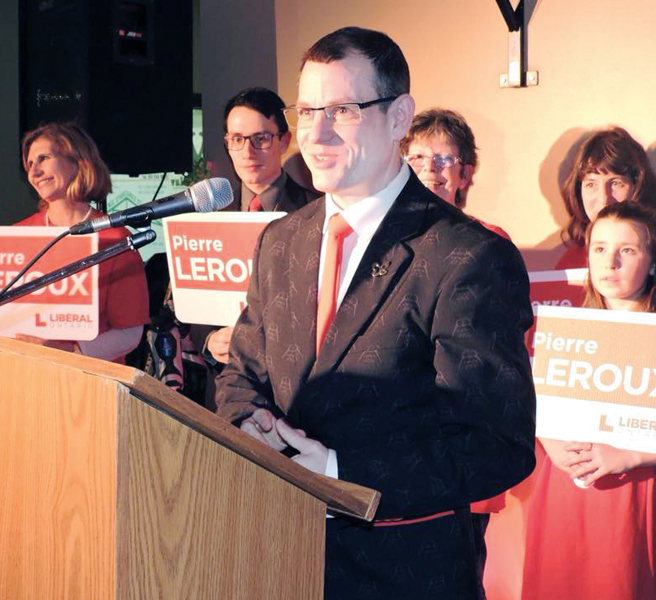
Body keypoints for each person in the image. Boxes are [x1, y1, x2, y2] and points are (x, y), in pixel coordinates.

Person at [214, 27, 536, 599]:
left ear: (399, 116)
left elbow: (496, 445)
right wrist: (249, 425)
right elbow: (243, 371)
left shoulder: (466, 254)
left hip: (402, 573)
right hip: (273, 556)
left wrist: (339, 469)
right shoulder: (280, 241)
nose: (316, 133)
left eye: (342, 109)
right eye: (308, 109)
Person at [523, 201, 656, 599]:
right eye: (599, 248)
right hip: (566, 490)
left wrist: (631, 455)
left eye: (626, 250)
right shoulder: (561, 331)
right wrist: (548, 441)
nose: (609, 262)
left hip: (637, 495)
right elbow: (530, 406)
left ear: (652, 261)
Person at [401, 107, 507, 593]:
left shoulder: (488, 245)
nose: (431, 171)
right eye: (419, 157)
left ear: (465, 172)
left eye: (445, 159)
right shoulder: (381, 242)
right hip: (397, 450)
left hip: (457, 448)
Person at [15, 122, 149, 363]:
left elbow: (130, 334)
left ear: (77, 160)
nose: (33, 173)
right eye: (30, 164)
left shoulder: (115, 239)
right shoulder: (17, 235)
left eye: (43, 158)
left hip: (92, 382)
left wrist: (70, 352)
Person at [204, 87, 317, 367]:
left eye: (261, 139)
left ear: (284, 141)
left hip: (294, 373)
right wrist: (208, 340)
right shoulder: (211, 214)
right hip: (224, 381)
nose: (247, 151)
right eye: (237, 139)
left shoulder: (317, 211)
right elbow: (195, 302)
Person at [401, 107, 510, 240]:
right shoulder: (383, 237)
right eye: (418, 157)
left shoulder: (490, 240)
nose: (429, 167)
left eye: (444, 159)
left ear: (464, 175)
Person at [556, 127, 656, 269]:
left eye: (615, 183)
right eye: (591, 184)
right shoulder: (570, 262)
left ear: (638, 185)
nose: (604, 199)